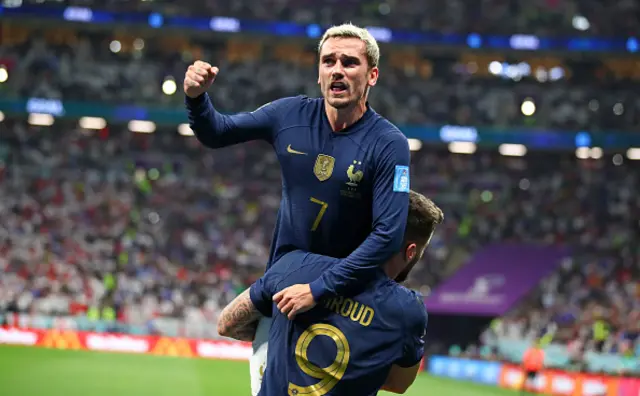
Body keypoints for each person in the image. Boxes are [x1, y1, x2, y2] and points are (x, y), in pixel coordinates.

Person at [183, 23, 411, 395]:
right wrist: (196, 99)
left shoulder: (389, 144)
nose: (337, 69)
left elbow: (388, 235)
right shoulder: (289, 115)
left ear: (372, 75)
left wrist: (318, 288)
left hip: (344, 307)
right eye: (328, 61)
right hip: (283, 296)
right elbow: (218, 131)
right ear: (319, 72)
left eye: (350, 62)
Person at [217, 191, 444, 395]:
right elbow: (399, 385)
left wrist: (280, 343)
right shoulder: (408, 310)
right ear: (411, 251)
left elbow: (226, 324)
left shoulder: (295, 264)